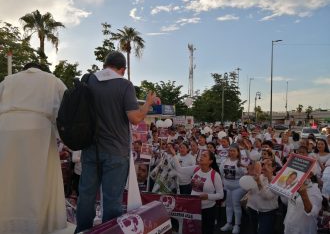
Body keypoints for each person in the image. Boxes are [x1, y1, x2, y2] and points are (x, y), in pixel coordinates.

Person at [75, 51, 156, 233]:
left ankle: (81, 230)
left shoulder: (89, 80)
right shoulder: (124, 85)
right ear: (122, 69)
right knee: (112, 200)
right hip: (115, 152)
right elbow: (135, 118)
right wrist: (148, 103)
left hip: (90, 149)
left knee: (86, 196)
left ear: (105, 65)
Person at [0, 63, 67, 233]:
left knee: (7, 178)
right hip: (38, 130)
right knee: (37, 179)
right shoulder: (52, 80)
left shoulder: (8, 81)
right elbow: (66, 111)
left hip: (6, 130)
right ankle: (36, 224)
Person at [169, 148, 224, 234]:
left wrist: (208, 196)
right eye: (201, 155)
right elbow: (180, 169)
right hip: (194, 209)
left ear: (210, 161)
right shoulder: (196, 169)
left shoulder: (215, 175)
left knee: (206, 231)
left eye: (204, 156)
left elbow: (221, 195)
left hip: (208, 210)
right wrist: (174, 155)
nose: (201, 157)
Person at [220, 144, 247, 234]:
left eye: (233, 151)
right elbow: (221, 173)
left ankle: (237, 225)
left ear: (238, 152)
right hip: (227, 187)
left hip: (238, 187)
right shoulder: (224, 161)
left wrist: (240, 167)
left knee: (236, 205)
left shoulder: (241, 162)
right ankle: (229, 223)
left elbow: (245, 175)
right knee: (228, 205)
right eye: (230, 151)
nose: (231, 152)